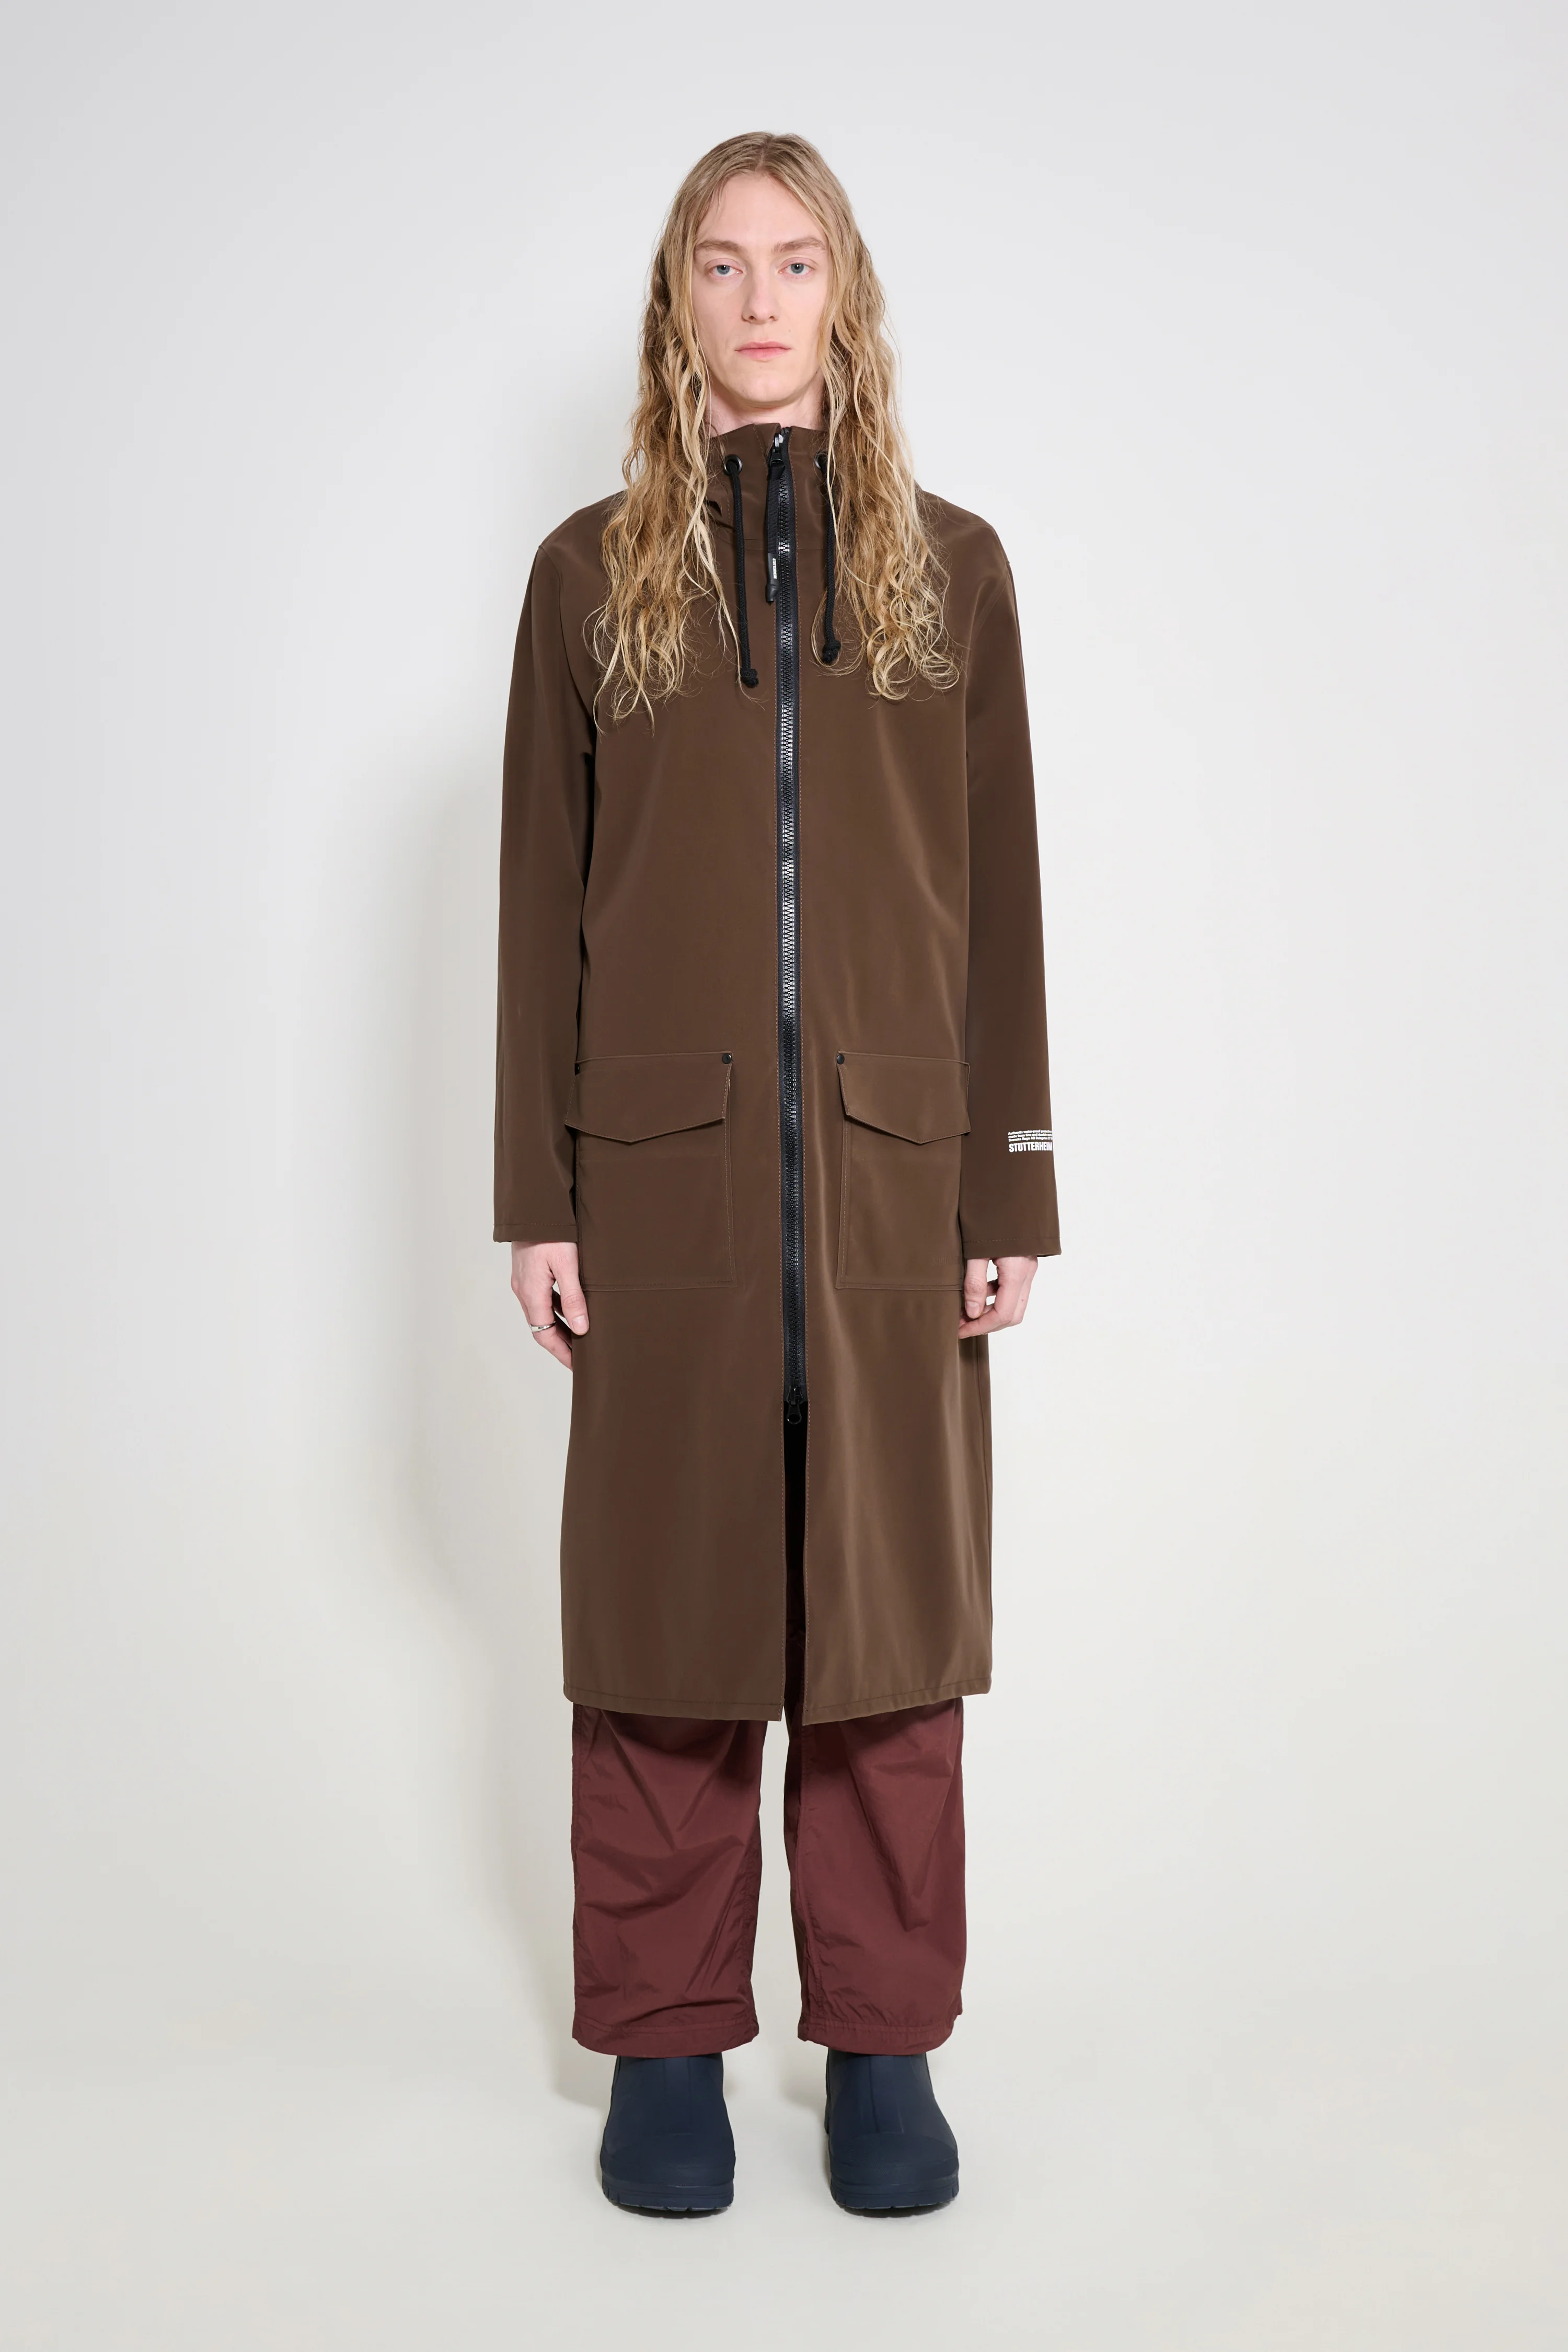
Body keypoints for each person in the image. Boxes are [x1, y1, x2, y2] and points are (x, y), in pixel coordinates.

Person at [494, 131, 1058, 2219]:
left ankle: (885, 2044)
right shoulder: (586, 576)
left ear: (844, 295)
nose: (758, 300)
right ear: (679, 300)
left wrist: (1012, 1184)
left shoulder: (954, 570)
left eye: (794, 262)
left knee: (890, 1626)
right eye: (721, 264)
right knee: (666, 1619)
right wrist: (538, 1191)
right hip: (666, 1187)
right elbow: (539, 899)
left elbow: (1001, 902)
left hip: (900, 1178)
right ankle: (664, 2050)